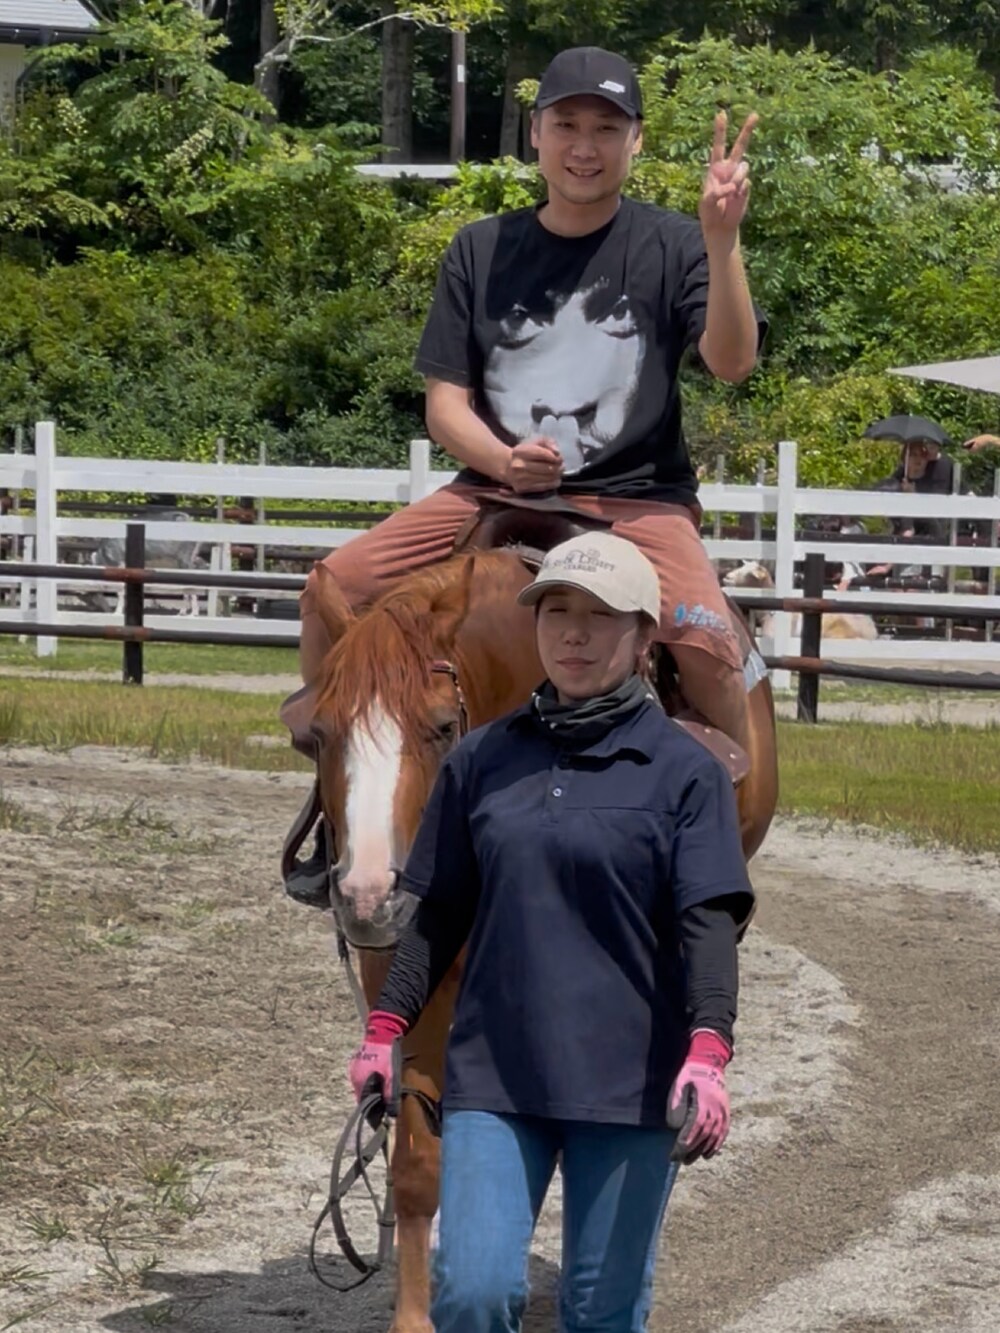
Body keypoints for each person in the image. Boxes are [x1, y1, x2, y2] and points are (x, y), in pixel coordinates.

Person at [294, 46, 766, 758]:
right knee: (329, 589)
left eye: (606, 129)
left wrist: (722, 240)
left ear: (636, 140)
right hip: (490, 490)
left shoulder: (675, 244)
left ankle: (722, 806)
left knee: (706, 643)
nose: (585, 148)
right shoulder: (479, 249)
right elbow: (445, 407)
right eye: (566, 125)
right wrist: (504, 461)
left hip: (637, 502)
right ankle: (343, 776)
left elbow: (733, 363)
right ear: (536, 133)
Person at [348, 532, 755, 1333]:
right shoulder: (480, 761)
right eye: (556, 612)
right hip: (497, 1076)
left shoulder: (687, 773)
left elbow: (707, 923)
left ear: (642, 637)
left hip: (632, 1083)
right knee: (473, 1293)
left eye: (599, 616)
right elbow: (439, 912)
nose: (573, 634)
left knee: (601, 1312)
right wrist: (384, 1027)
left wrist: (709, 1050)